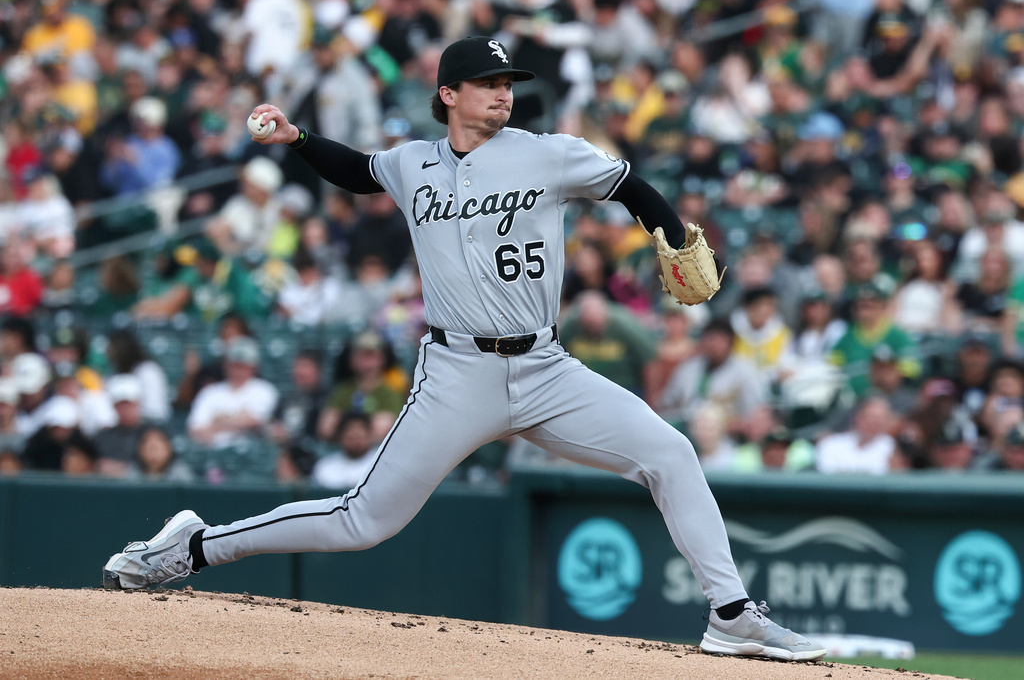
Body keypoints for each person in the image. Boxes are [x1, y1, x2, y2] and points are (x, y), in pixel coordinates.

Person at [102, 37, 825, 662]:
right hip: (457, 372)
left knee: (668, 452)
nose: (503, 96)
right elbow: (356, 169)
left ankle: (731, 615)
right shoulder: (413, 163)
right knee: (363, 521)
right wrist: (295, 140)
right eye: (488, 84)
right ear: (448, 93)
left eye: (509, 85)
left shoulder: (548, 156)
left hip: (546, 369)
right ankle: (191, 547)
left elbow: (630, 184)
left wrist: (665, 231)